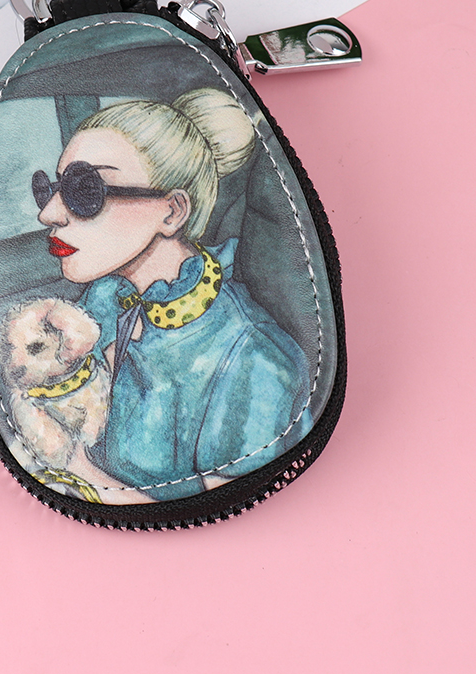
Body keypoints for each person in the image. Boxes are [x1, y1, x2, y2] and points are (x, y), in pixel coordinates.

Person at [28, 87, 313, 502]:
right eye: (49, 189)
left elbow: (225, 516)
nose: (48, 213)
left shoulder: (254, 361)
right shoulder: (104, 298)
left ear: (173, 210)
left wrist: (73, 468)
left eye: (84, 191)